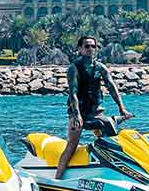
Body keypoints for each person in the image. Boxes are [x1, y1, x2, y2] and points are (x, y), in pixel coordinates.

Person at [56, 36, 133, 180]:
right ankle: (57, 178)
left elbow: (112, 88)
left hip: (95, 112)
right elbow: (73, 93)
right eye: (87, 46)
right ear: (80, 49)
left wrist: (122, 108)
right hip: (78, 111)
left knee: (111, 134)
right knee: (72, 145)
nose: (90, 49)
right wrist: (77, 115)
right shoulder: (74, 68)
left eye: (93, 46)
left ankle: (114, 172)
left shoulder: (100, 67)